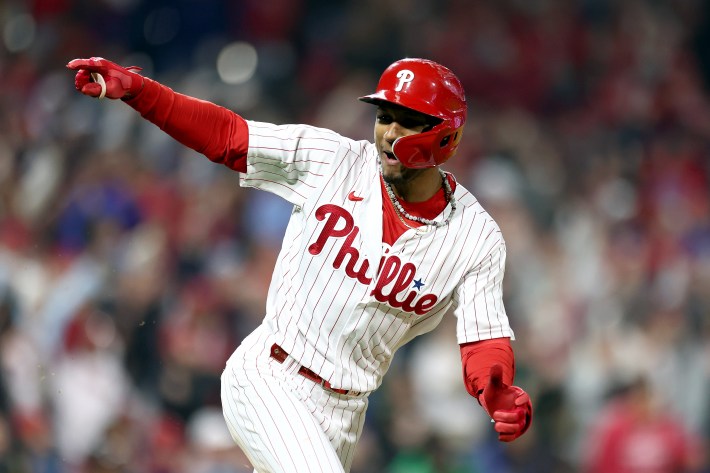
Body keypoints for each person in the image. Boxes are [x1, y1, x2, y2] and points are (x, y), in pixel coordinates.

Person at [67, 56, 533, 473]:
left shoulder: (475, 237)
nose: (389, 132)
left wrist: (497, 391)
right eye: (385, 116)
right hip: (271, 375)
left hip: (346, 415)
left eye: (408, 122)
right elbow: (230, 136)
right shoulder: (333, 161)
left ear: (446, 135)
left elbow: (483, 339)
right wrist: (139, 91)